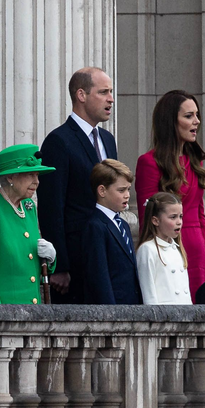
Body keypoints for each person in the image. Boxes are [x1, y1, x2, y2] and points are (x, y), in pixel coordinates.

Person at [38, 67, 117, 304]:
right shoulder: (58, 141)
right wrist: (59, 265)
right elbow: (52, 207)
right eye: (103, 92)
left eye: (110, 92)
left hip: (106, 255)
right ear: (81, 95)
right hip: (76, 262)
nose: (111, 99)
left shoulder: (107, 140)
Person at [135, 90, 205, 303]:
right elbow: (147, 218)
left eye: (196, 115)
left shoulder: (195, 161)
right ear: (170, 121)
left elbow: (200, 213)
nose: (196, 121)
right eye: (188, 116)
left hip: (197, 251)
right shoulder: (149, 162)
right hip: (169, 250)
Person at [0, 144, 58, 304]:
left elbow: (29, 260)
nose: (36, 181)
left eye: (37, 175)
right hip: (4, 313)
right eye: (30, 174)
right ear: (10, 177)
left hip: (31, 310)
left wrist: (50, 260)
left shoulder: (29, 207)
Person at [83, 160, 142, 305]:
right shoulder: (95, 226)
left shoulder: (123, 224)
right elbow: (99, 276)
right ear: (102, 191)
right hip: (114, 309)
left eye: (128, 189)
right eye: (121, 190)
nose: (127, 195)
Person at [136, 192, 192, 305]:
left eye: (180, 216)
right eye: (173, 217)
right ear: (155, 220)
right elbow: (148, 292)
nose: (179, 222)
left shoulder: (176, 248)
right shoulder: (148, 249)